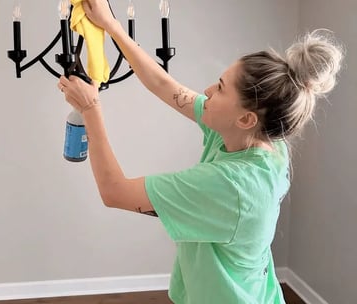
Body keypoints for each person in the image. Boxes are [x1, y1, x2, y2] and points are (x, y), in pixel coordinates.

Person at [57, 1, 344, 303]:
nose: (207, 90)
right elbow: (163, 84)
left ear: (246, 118)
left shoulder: (231, 186)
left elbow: (114, 192)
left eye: (220, 88)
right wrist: (111, 25)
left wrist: (90, 108)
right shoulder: (254, 138)